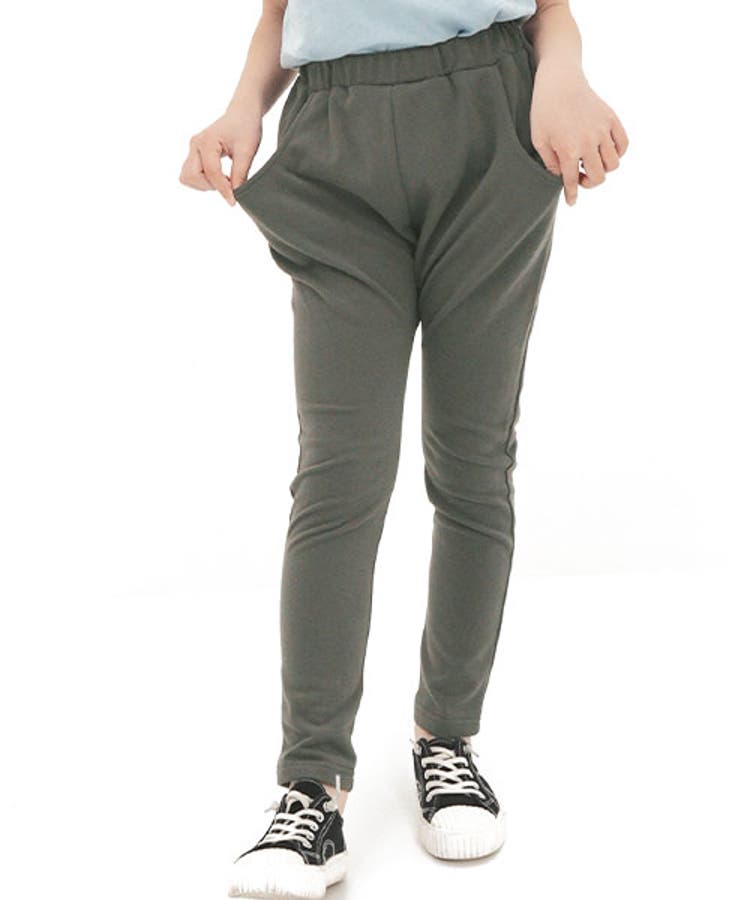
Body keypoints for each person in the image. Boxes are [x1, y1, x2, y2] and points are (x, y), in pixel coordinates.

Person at [180, 0, 627, 895]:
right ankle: (312, 785)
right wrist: (242, 107)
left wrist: (563, 72)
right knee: (338, 473)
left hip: (492, 121)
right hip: (333, 137)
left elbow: (549, 8)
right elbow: (280, 13)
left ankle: (446, 738)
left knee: (472, 457)